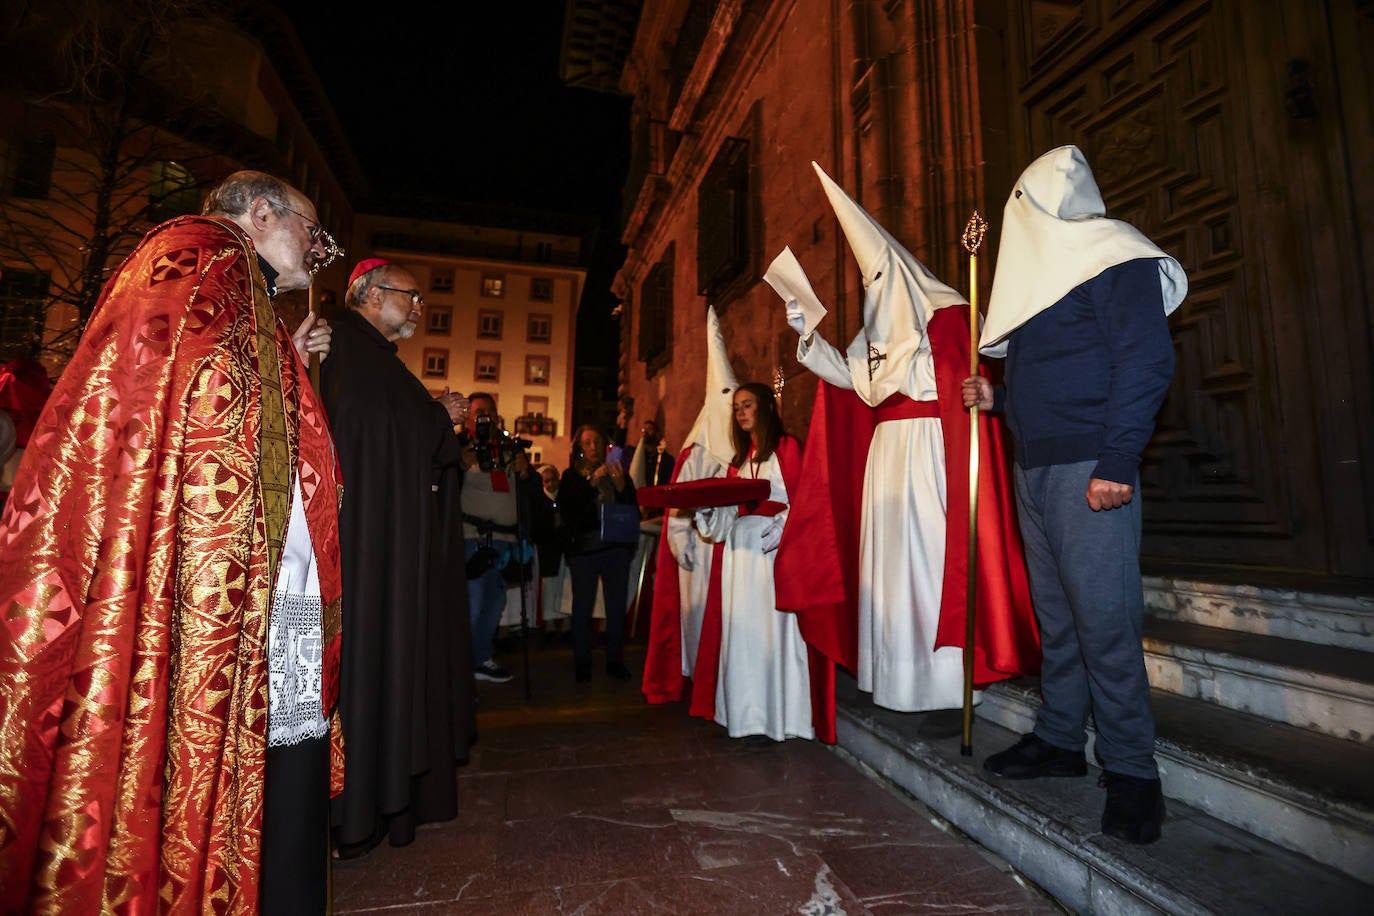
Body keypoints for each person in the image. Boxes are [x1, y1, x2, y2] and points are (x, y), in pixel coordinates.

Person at [0, 170, 341, 912]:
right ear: (259, 214)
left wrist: (289, 351)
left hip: (254, 584)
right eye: (312, 232)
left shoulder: (239, 290)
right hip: (198, 585)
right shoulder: (194, 259)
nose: (318, 251)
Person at [962, 144, 1188, 845]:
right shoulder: (1043, 280)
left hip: (1092, 464)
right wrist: (996, 399)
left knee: (1104, 622)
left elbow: (1145, 360)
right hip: (1034, 467)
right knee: (1057, 618)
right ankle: (1061, 739)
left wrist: (1118, 458)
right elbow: (1063, 370)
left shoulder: (1115, 257)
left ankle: (1131, 773)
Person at [769, 163, 1039, 737]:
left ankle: (943, 684)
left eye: (877, 282)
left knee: (927, 562)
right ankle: (896, 680)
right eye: (867, 286)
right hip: (885, 459)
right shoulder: (872, 341)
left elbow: (973, 370)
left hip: (929, 454)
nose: (872, 294)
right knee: (890, 567)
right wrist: (805, 334)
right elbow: (848, 379)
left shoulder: (947, 320)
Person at [321, 257, 476, 860]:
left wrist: (433, 419)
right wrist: (440, 418)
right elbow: (377, 434)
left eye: (419, 302)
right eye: (409, 297)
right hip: (366, 558)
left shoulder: (375, 359)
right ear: (368, 293)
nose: (418, 309)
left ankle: (379, 799)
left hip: (385, 548)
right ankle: (357, 807)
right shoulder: (347, 351)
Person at [692, 383, 811, 741]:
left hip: (771, 554)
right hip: (739, 559)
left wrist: (784, 524)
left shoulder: (787, 449)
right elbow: (725, 521)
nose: (741, 412)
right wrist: (708, 511)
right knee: (743, 634)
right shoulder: (740, 462)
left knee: (772, 633)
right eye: (737, 408)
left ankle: (780, 718)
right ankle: (746, 716)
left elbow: (808, 496)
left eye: (748, 405)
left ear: (766, 408)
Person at [641, 305, 736, 711]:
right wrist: (685, 546)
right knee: (701, 625)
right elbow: (678, 507)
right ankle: (702, 682)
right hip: (700, 556)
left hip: (734, 554)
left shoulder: (745, 447)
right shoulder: (695, 452)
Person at [460, 392, 543, 683]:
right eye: (478, 413)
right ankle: (461, 663)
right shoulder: (458, 446)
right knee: (474, 602)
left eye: (490, 412)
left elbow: (534, 494)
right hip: (474, 538)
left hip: (506, 541)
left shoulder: (508, 449)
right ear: (467, 417)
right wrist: (458, 462)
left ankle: (481, 658)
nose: (485, 418)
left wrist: (526, 474)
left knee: (495, 602)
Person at [559, 425, 638, 681]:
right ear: (579, 448)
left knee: (616, 608)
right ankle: (582, 663)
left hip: (615, 550)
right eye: (587, 443)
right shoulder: (571, 476)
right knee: (582, 608)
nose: (593, 447)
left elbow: (632, 510)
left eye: (597, 442)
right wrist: (592, 482)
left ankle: (615, 660)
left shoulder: (619, 472)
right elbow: (570, 510)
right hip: (585, 550)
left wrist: (621, 486)